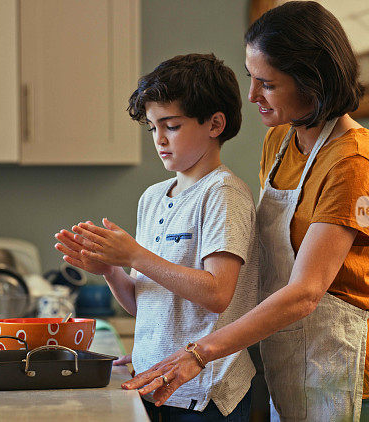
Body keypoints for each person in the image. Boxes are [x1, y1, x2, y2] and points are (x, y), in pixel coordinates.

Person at [120, 2, 369, 421]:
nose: (252, 95)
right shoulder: (280, 144)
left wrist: (200, 353)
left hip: (351, 377)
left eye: (267, 84)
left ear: (313, 82)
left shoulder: (353, 161)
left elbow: (306, 291)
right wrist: (155, 350)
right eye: (252, 78)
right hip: (288, 369)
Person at [54, 53, 259, 421]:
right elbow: (146, 308)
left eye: (172, 126)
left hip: (205, 394)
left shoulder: (224, 194)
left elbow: (217, 294)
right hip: (155, 386)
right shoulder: (152, 198)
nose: (159, 139)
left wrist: (134, 256)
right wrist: (111, 270)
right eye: (152, 128)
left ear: (215, 124)